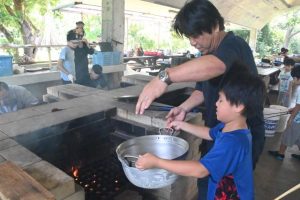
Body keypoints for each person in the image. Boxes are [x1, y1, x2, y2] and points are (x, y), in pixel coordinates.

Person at [135, 0, 265, 198]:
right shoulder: (210, 54)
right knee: (212, 182)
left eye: (196, 35)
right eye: (189, 37)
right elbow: (203, 90)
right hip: (222, 130)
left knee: (225, 184)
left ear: (214, 26)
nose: (193, 42)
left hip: (244, 134)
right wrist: (183, 109)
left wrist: (165, 77)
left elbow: (217, 66)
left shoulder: (233, 45)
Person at [136, 64, 266, 200]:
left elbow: (200, 170)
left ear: (238, 106)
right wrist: (181, 124)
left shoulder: (234, 142)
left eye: (221, 100)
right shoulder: (232, 127)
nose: (216, 103)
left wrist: (157, 162)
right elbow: (209, 133)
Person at [269, 66, 300, 160]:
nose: (294, 81)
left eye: (294, 78)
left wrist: (290, 119)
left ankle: (280, 154)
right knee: (299, 138)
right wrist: (293, 108)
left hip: (297, 120)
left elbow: (299, 106)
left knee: (287, 135)